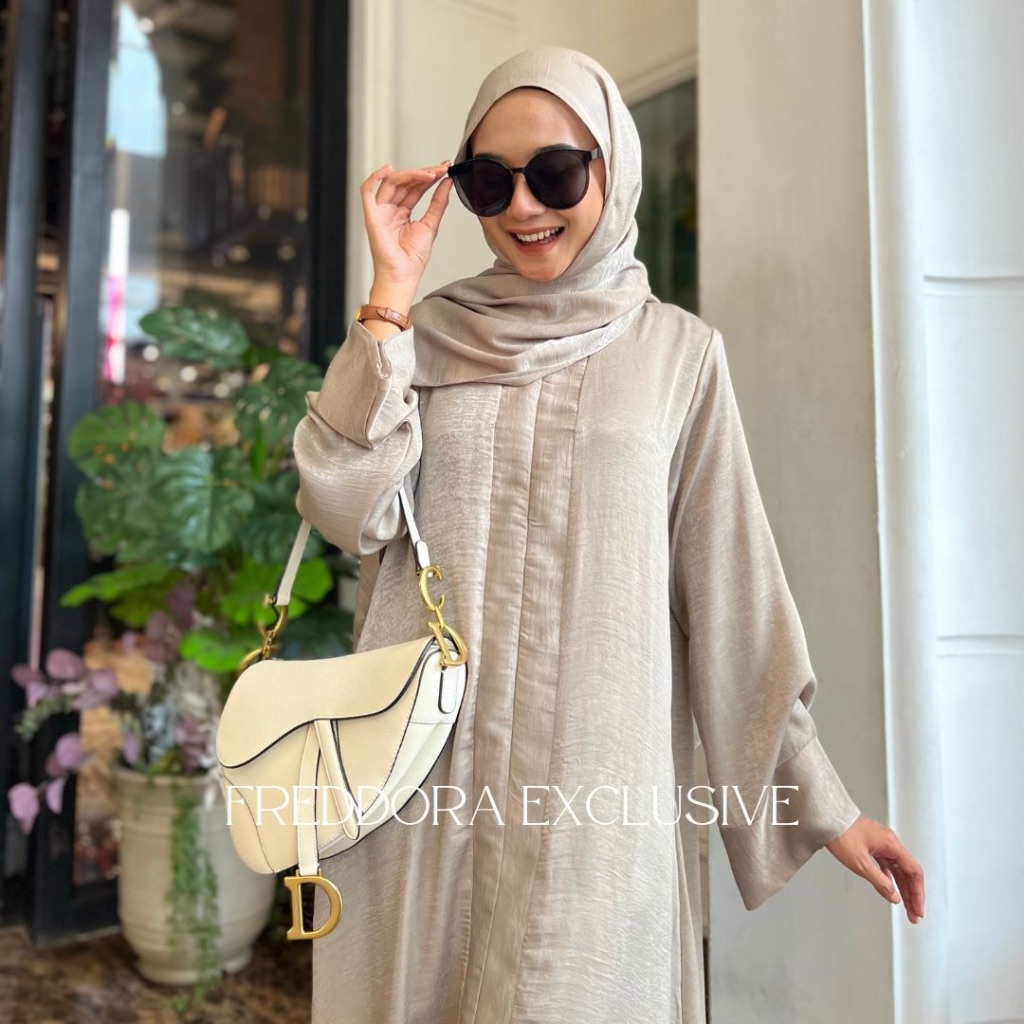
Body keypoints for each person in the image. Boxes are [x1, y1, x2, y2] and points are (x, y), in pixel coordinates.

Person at [293, 46, 925, 1024]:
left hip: (593, 809)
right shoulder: (423, 335)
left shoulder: (678, 357)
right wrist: (389, 295)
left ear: (611, 165)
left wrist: (826, 807)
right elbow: (345, 507)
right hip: (424, 794)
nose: (522, 207)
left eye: (554, 173)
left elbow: (729, 593)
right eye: (488, 181)